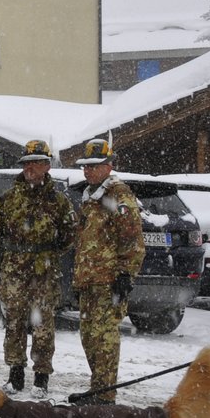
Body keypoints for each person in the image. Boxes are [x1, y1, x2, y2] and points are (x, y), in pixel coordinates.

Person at [0, 140, 77, 396]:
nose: (29, 168)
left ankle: (41, 378)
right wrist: (8, 250)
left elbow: (70, 234)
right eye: (26, 163)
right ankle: (15, 375)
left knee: (42, 326)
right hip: (14, 270)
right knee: (13, 322)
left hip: (44, 271)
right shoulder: (8, 198)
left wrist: (48, 251)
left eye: (35, 163)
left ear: (47, 166)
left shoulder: (58, 200)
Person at [70, 138, 144, 404]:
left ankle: (104, 395)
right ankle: (97, 389)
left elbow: (132, 240)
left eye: (93, 166)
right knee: (89, 337)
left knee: (105, 340)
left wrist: (126, 274)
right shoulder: (91, 196)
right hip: (89, 280)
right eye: (85, 166)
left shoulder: (118, 195)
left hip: (108, 280)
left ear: (108, 166)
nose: (87, 171)